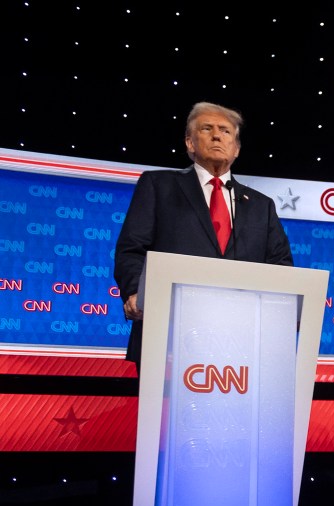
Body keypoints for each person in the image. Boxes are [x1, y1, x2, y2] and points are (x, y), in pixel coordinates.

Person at [114, 101, 294, 369]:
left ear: (236, 148)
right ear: (189, 143)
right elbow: (132, 247)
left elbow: (280, 266)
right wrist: (133, 292)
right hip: (169, 334)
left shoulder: (260, 205)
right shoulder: (158, 184)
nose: (217, 135)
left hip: (242, 342)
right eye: (207, 128)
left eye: (225, 131)